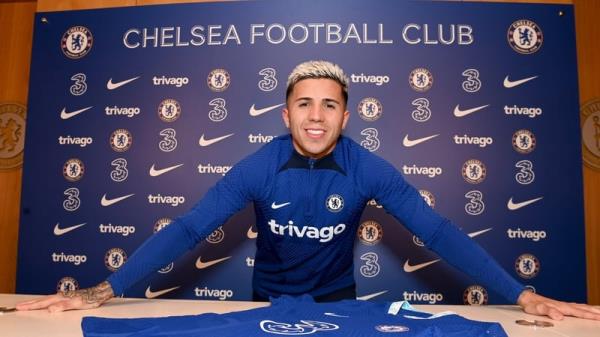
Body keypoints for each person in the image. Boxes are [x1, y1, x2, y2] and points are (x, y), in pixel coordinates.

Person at [17, 60, 600, 320]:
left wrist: (519, 294)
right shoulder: (256, 167)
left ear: (346, 116)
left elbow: (439, 230)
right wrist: (103, 290)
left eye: (329, 105)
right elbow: (192, 228)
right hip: (265, 302)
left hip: (339, 304)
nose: (316, 117)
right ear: (285, 113)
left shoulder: (368, 168)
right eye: (304, 104)